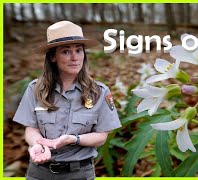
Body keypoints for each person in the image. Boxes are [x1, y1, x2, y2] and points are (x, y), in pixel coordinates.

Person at [13, 20, 122, 180]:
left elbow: (101, 136)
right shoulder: (35, 89)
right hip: (39, 172)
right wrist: (37, 143)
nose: (74, 58)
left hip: (79, 173)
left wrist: (73, 140)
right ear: (52, 57)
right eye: (66, 52)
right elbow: (30, 129)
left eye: (79, 50)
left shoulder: (98, 92)